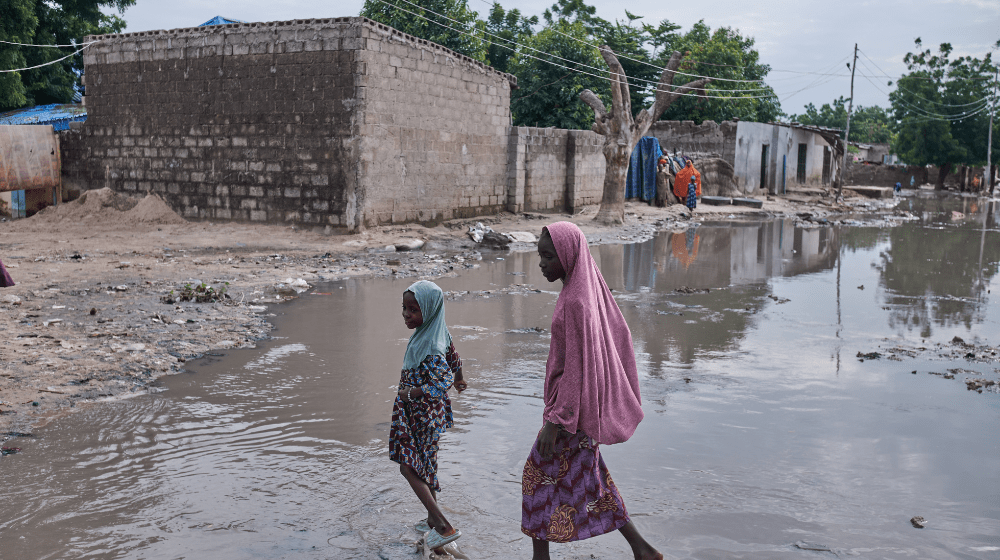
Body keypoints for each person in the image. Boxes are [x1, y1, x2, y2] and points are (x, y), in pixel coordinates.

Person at [523, 222, 662, 560]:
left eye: (548, 256)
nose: (541, 263)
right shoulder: (582, 288)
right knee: (595, 481)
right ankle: (642, 549)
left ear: (568, 255)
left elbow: (576, 368)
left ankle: (540, 558)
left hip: (570, 415)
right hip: (580, 412)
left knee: (536, 476)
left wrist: (557, 421)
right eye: (540, 255)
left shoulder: (575, 301)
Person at [390, 280, 468, 551]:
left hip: (422, 415)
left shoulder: (431, 347)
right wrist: (460, 378)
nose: (407, 315)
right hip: (426, 415)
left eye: (414, 310)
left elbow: (439, 380)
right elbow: (454, 359)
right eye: (404, 308)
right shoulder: (436, 332)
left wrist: (409, 394)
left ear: (431, 311)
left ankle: (443, 526)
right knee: (425, 465)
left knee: (408, 467)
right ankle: (432, 523)